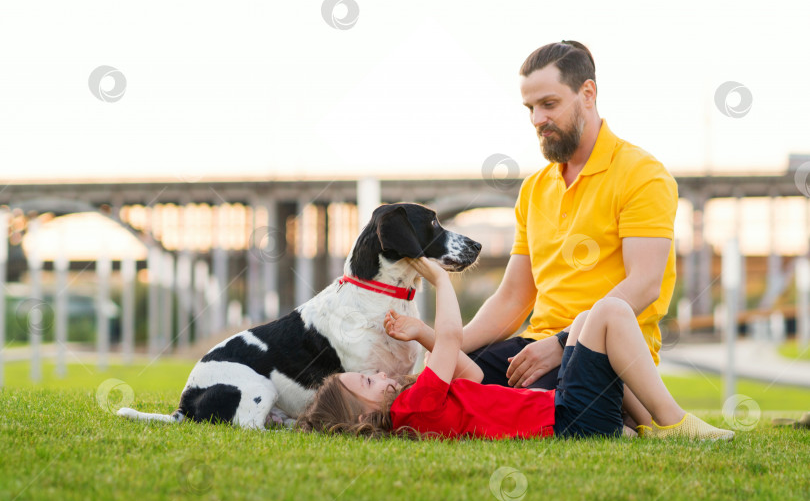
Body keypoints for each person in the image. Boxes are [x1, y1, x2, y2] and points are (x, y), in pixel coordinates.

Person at [419, 41, 679, 430]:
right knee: (446, 387)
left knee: (525, 410)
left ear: (587, 94)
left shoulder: (642, 174)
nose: (537, 119)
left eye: (549, 104)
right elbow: (512, 298)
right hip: (534, 345)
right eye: (530, 108)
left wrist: (559, 346)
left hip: (597, 350)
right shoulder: (534, 189)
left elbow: (644, 285)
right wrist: (450, 347)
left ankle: (617, 414)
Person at [296, 258, 732, 441]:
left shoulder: (421, 404)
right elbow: (451, 340)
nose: (381, 376)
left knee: (585, 322)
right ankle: (674, 424)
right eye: (368, 382)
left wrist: (423, 335)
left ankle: (639, 425)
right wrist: (441, 281)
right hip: (569, 418)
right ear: (363, 414)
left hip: (567, 412)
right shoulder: (412, 408)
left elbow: (472, 376)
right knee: (611, 312)